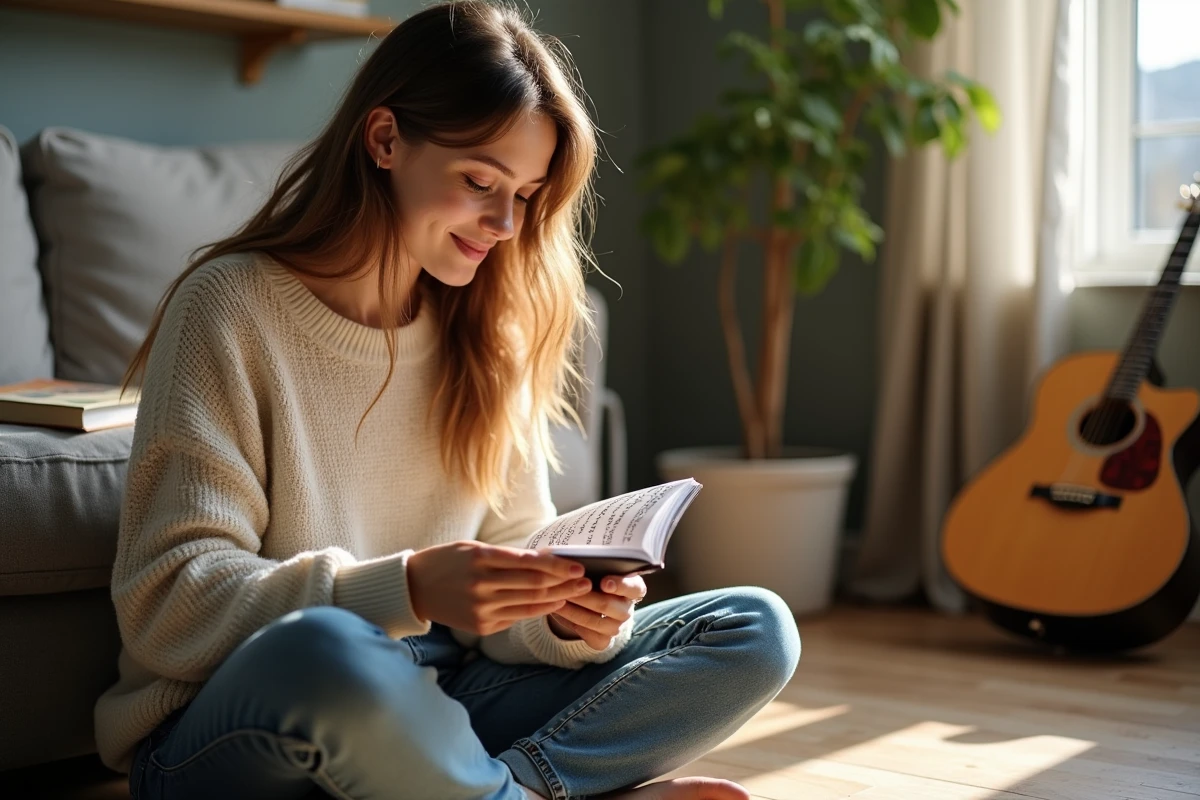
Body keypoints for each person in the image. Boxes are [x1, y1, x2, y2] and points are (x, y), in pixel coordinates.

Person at [94, 2, 801, 798]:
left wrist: (560, 615)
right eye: (479, 182)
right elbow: (170, 606)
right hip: (239, 730)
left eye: (526, 194)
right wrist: (407, 589)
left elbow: (507, 575)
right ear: (385, 140)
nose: (505, 223)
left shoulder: (487, 328)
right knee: (327, 648)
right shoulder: (229, 308)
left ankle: (508, 788)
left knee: (753, 627)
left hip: (444, 700)